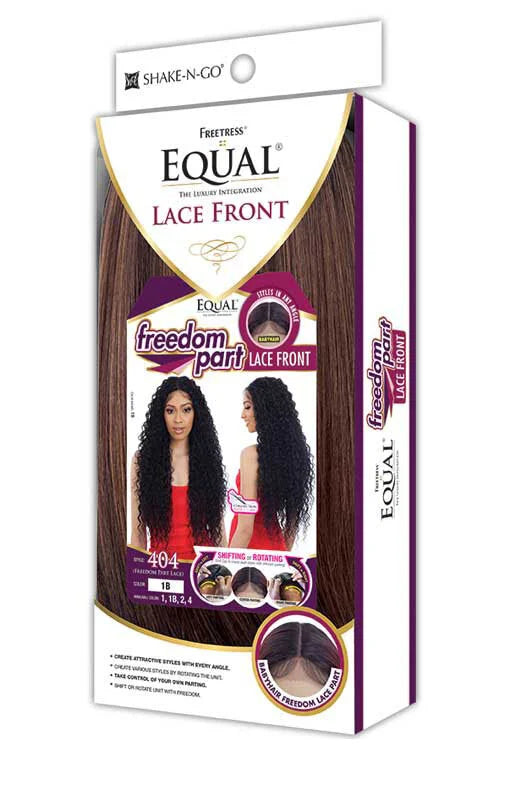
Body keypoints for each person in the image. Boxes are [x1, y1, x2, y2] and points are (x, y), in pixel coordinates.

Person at [131, 376, 226, 558]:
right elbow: (138, 534)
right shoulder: (142, 461)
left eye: (186, 410)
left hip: (202, 570)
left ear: (196, 413)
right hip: (161, 568)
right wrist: (136, 570)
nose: (178, 419)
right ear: (161, 414)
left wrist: (227, 568)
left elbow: (219, 531)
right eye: (170, 411)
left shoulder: (207, 460)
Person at [229, 377, 313, 551]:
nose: (242, 415)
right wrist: (282, 558)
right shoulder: (291, 457)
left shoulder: (251, 455)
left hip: (249, 552)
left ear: (264, 408)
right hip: (277, 549)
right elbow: (292, 525)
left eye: (247, 407)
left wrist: (226, 563)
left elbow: (245, 529)